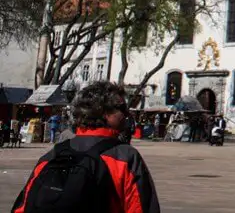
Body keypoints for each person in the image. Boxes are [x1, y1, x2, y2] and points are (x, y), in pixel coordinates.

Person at [11, 81, 160, 213]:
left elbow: (22, 207)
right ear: (104, 112)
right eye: (121, 108)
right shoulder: (125, 157)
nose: (126, 113)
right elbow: (140, 207)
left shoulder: (53, 155)